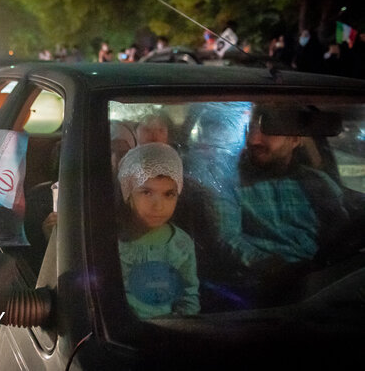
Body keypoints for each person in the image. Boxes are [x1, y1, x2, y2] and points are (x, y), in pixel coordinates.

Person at [214, 105, 350, 285]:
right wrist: (273, 266)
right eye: (250, 129)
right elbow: (227, 240)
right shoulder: (229, 183)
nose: (253, 140)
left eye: (268, 131)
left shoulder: (319, 183)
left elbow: (343, 235)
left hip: (323, 278)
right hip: (263, 285)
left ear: (295, 139)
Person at [117, 143, 200, 318]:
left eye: (169, 194)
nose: (158, 206)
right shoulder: (113, 241)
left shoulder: (181, 244)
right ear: (128, 192)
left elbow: (189, 295)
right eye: (147, 192)